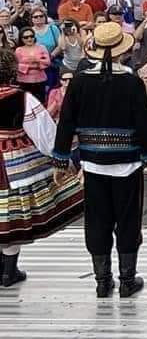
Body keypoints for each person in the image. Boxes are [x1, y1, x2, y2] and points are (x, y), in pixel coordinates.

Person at [52, 23, 147, 298]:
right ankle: (127, 280)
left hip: (92, 164)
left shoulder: (79, 81)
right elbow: (145, 124)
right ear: (122, 51)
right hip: (127, 164)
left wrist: (61, 159)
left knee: (97, 220)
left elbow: (66, 121)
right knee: (127, 220)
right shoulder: (131, 81)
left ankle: (102, 281)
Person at [0, 48, 83, 287]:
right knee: (11, 219)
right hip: (14, 162)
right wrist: (62, 159)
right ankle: (8, 271)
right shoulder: (21, 98)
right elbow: (46, 135)